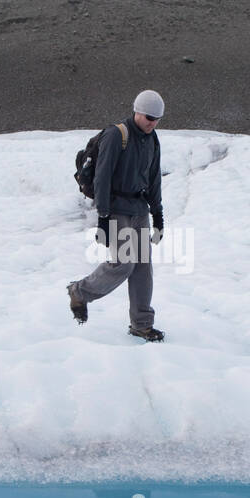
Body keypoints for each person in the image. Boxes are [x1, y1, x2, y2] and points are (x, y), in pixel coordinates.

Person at [67, 89, 166, 341]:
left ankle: (142, 324)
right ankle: (80, 291)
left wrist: (158, 217)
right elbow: (102, 177)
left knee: (143, 267)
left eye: (156, 119)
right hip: (115, 208)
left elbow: (154, 181)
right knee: (124, 262)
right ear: (136, 111)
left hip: (139, 209)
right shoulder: (116, 135)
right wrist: (102, 217)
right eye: (148, 117)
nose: (151, 123)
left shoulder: (153, 140)